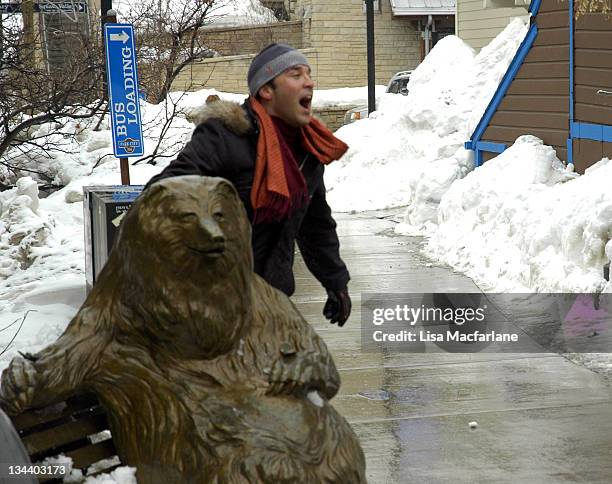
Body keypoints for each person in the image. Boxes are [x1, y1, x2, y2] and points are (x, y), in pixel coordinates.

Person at [145, 43, 352, 326]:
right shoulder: (225, 137)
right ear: (266, 91)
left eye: (309, 73)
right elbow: (161, 194)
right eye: (295, 74)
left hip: (269, 299)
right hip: (208, 304)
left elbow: (315, 224)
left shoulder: (306, 150)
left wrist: (335, 282)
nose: (309, 82)